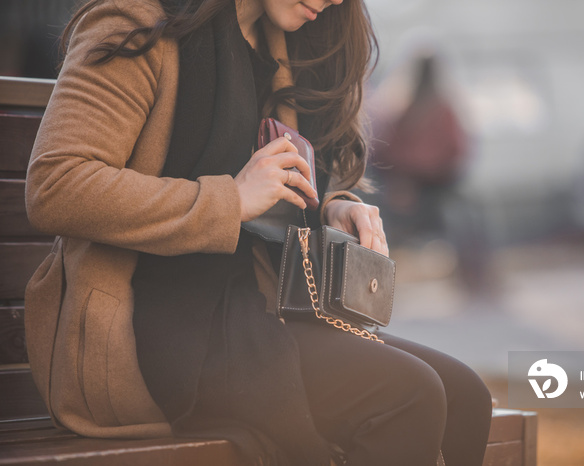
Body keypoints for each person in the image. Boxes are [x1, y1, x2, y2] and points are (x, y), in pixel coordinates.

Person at [24, 0, 492, 464]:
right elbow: (56, 185)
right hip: (150, 329)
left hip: (259, 311)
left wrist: (331, 208)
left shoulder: (286, 45)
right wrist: (229, 199)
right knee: (409, 396)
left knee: (466, 395)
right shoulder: (137, 24)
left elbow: (275, 179)